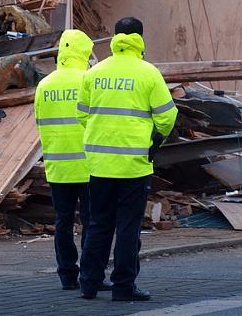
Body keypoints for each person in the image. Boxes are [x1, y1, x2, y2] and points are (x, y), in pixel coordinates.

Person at [77, 17, 178, 301]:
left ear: (115, 38)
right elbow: (168, 116)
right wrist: (155, 140)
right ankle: (123, 286)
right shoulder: (148, 73)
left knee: (98, 224)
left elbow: (82, 114)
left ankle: (89, 283)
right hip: (134, 165)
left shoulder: (94, 73)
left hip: (99, 165)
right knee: (128, 228)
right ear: (141, 39)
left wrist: (102, 139)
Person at [34, 29, 110, 291]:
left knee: (62, 222)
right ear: (83, 52)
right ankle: (91, 275)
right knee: (92, 223)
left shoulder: (44, 85)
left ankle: (67, 275)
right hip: (89, 165)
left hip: (58, 167)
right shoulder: (89, 80)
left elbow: (39, 122)